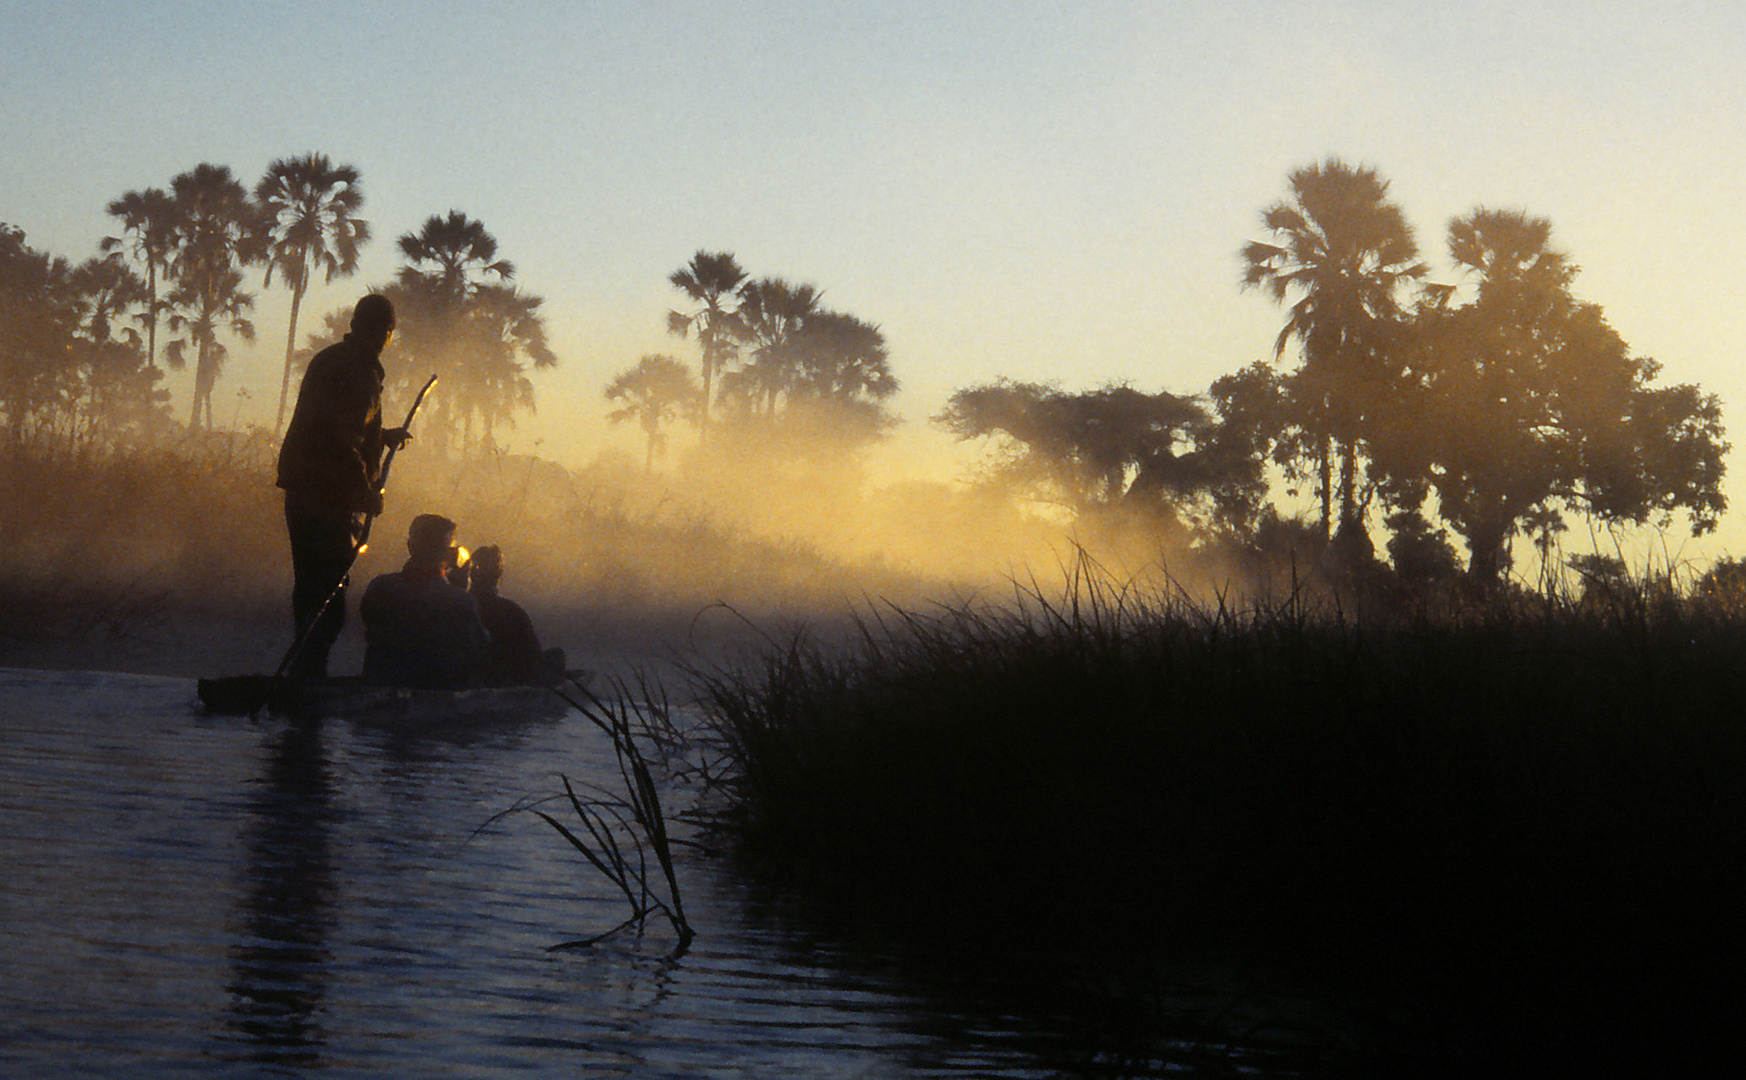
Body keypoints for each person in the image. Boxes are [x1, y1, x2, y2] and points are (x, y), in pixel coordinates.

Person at [275, 294, 410, 681]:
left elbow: (333, 425)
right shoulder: (361, 372)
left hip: (303, 490)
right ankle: (309, 678)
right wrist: (362, 491)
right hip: (330, 497)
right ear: (387, 332)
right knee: (328, 594)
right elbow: (341, 437)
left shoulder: (329, 360)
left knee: (310, 588)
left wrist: (381, 437)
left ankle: (303, 672)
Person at [359, 514, 491, 689]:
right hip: (434, 693)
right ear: (450, 553)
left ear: (410, 547)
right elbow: (477, 647)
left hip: (381, 684)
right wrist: (458, 589)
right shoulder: (457, 600)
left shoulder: (380, 587)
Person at [468, 545, 567, 686]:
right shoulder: (511, 611)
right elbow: (532, 652)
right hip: (507, 676)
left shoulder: (459, 604)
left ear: (471, 573)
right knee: (556, 656)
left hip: (481, 674)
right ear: (499, 573)